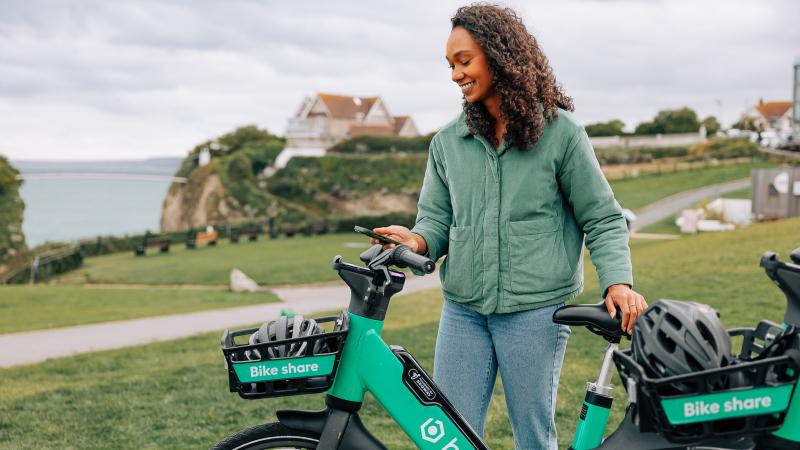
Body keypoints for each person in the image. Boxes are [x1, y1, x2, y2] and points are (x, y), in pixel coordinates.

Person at [371, 4, 647, 449]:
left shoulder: (561, 134)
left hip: (535, 313)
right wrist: (416, 239)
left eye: (464, 61)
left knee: (533, 438)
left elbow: (602, 217)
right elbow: (436, 221)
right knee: (446, 438)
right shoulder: (447, 142)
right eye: (450, 65)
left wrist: (618, 282)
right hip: (464, 312)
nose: (455, 75)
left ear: (500, 57)